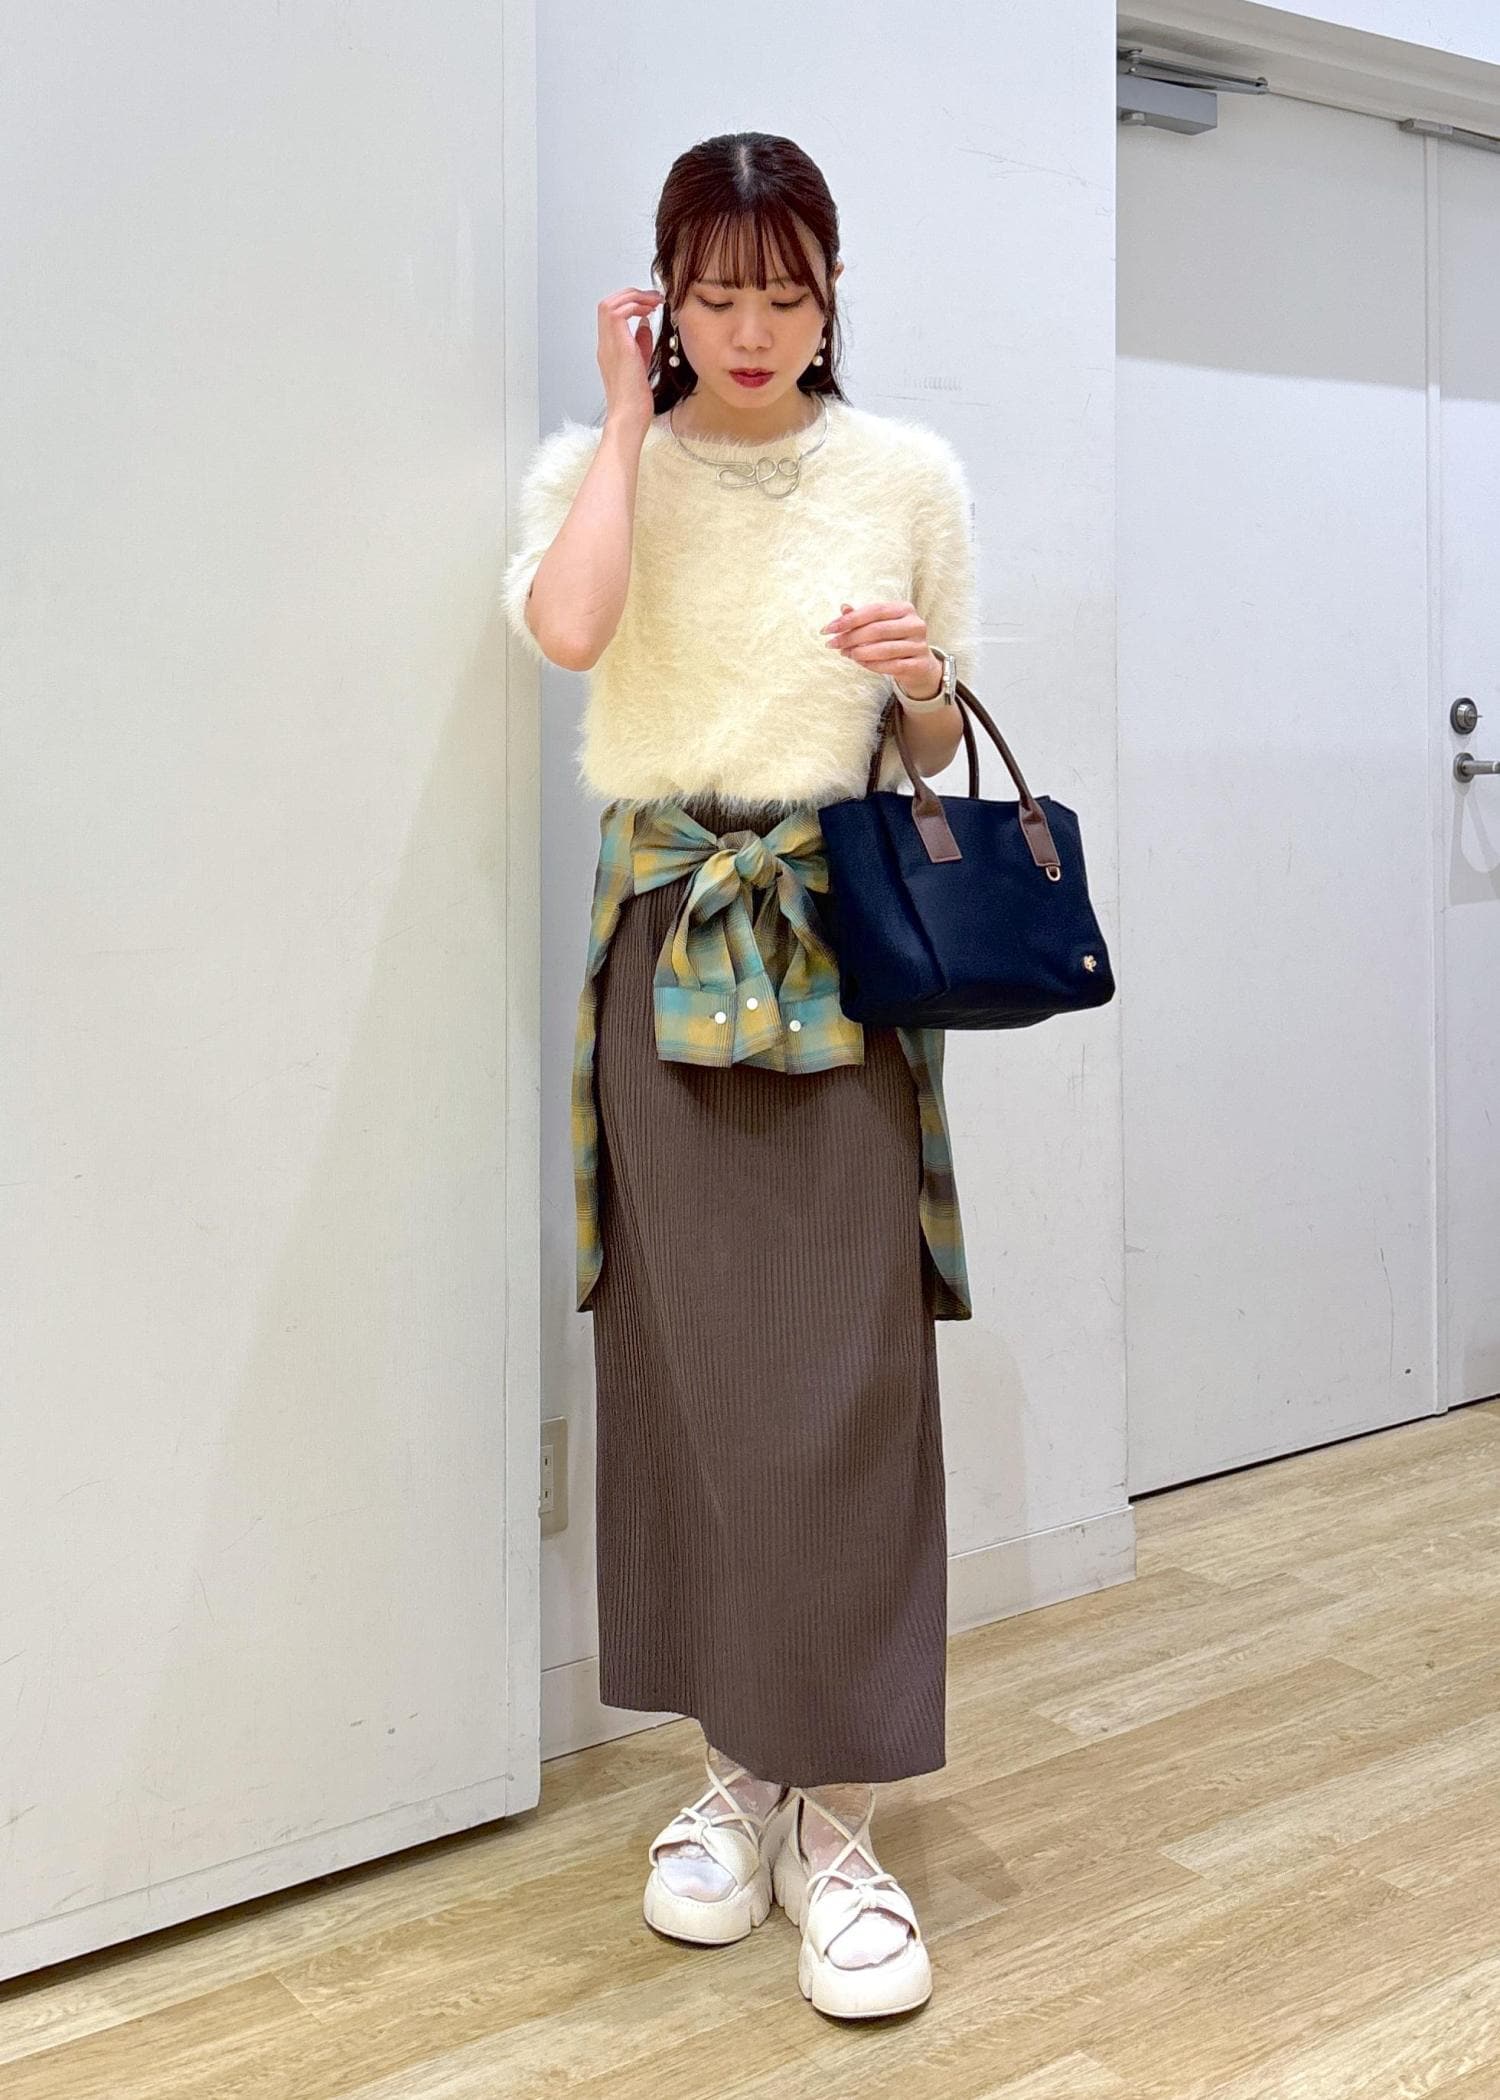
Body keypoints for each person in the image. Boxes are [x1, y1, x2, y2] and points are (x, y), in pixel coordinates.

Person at [502, 131, 979, 2021]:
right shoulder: (600, 466)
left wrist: (920, 679)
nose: (756, 327)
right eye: (718, 295)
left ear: (833, 293)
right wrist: (628, 424)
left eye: (787, 292)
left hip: (838, 949)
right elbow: (568, 630)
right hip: (667, 945)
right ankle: (734, 1776)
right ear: (666, 300)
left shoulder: (905, 474)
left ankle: (840, 1813)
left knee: (848, 1374)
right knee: (689, 1363)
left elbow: (932, 755)